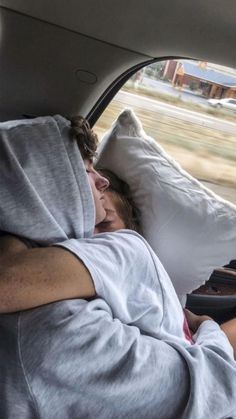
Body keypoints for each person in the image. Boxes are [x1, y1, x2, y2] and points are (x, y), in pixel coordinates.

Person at [0, 117, 236, 419]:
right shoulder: (120, 253)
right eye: (85, 169)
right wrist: (207, 327)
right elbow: (221, 387)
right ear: (47, 186)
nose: (102, 180)